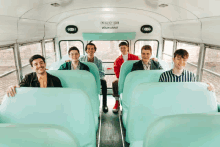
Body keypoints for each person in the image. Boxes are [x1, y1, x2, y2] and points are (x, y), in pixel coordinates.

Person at [79, 42, 108, 113]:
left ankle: (104, 105)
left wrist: (96, 79)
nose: (90, 50)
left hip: (96, 79)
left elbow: (102, 73)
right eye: (88, 49)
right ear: (86, 50)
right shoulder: (81, 60)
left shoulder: (98, 62)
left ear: (95, 50)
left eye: (92, 49)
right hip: (84, 79)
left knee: (104, 82)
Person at [112, 42, 140, 113]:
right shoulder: (117, 60)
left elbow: (141, 63)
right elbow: (116, 70)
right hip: (122, 78)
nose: (123, 49)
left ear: (127, 48)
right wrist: (119, 78)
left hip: (133, 77)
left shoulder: (134, 57)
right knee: (115, 83)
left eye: (124, 47)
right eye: (121, 48)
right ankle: (117, 101)